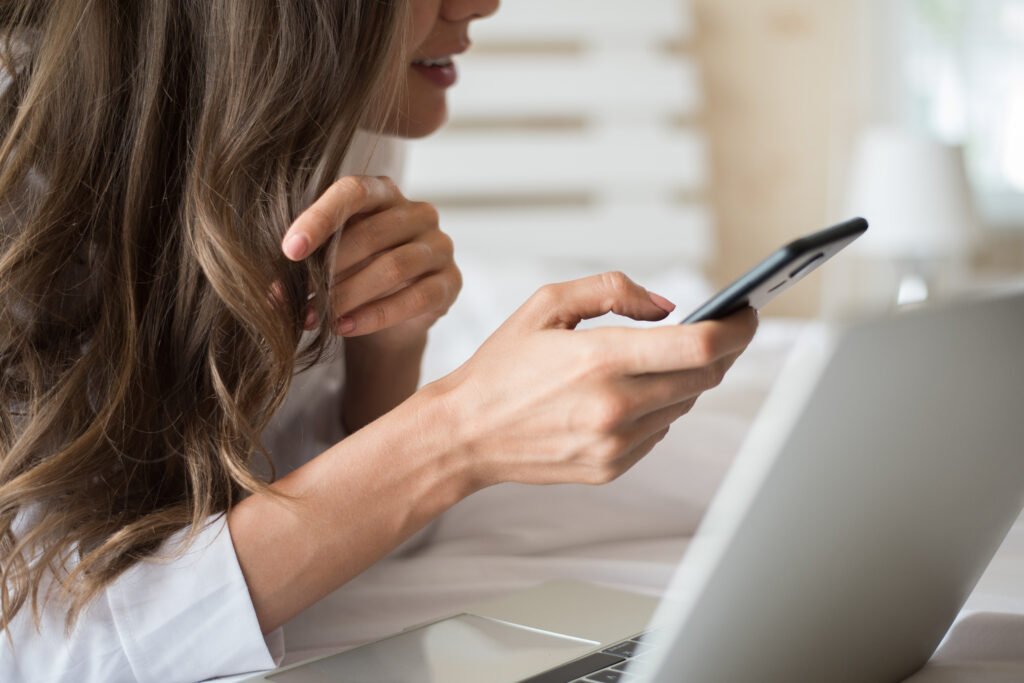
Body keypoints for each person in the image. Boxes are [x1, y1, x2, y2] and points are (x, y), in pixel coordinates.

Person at [0, 1, 758, 680]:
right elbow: (47, 649)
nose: (485, 5)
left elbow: (298, 513)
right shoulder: (22, 187)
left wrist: (386, 356)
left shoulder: (338, 128)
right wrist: (454, 433)